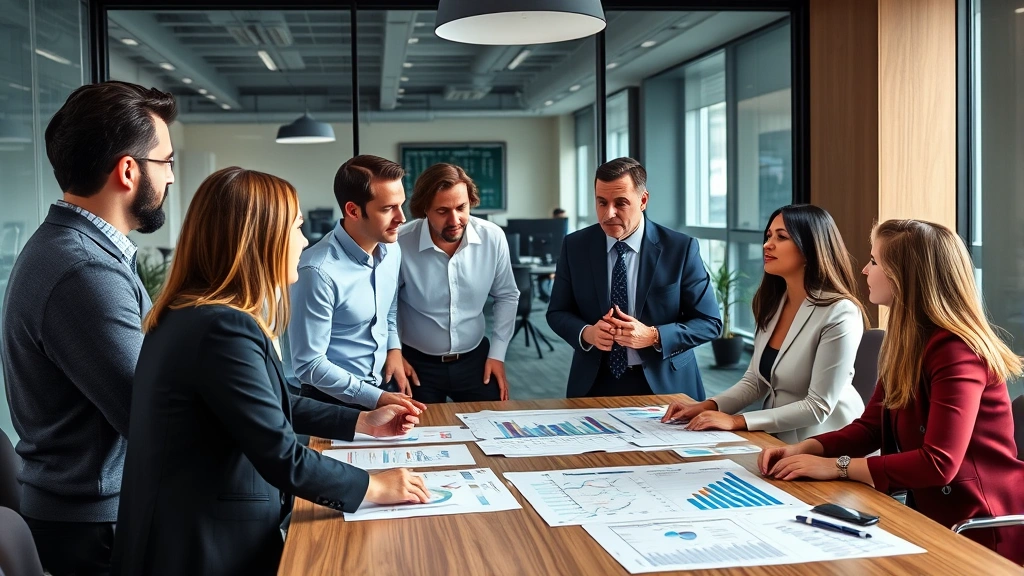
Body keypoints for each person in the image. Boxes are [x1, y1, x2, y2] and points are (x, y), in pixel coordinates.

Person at [112, 167, 431, 575]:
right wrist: (376, 486)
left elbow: (270, 403)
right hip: (202, 548)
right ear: (260, 238)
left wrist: (362, 421)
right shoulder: (221, 328)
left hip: (191, 534)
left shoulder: (193, 313)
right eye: (297, 228)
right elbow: (282, 455)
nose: (303, 241)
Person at [759, 219, 1024, 565]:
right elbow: (870, 427)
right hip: (928, 515)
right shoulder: (907, 340)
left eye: (875, 261)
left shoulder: (957, 350)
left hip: (978, 529)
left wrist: (837, 467)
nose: (865, 269)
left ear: (904, 275)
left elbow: (939, 462)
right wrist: (805, 448)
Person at [1, 81, 176, 575]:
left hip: (86, 516)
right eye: (165, 162)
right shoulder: (83, 270)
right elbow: (151, 412)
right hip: (93, 530)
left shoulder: (75, 250)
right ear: (128, 170)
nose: (170, 178)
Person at [663, 205, 868, 443]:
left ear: (810, 248)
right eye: (768, 236)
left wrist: (737, 421)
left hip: (828, 443)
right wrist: (707, 406)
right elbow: (754, 382)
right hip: (777, 438)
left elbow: (818, 406)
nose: (767, 244)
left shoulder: (839, 312)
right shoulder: (774, 303)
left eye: (781, 237)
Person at [546, 157, 722, 398]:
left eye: (621, 203)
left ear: (643, 200)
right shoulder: (575, 246)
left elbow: (710, 323)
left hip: (667, 383)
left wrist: (654, 336)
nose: (609, 214)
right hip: (595, 382)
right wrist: (587, 333)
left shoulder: (680, 249)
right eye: (601, 202)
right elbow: (557, 312)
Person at [288, 155, 424, 411]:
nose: (401, 218)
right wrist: (374, 398)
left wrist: (393, 349)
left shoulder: (391, 249)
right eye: (387, 209)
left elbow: (389, 308)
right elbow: (308, 364)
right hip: (332, 401)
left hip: (383, 387)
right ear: (353, 210)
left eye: (401, 205)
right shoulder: (316, 271)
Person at [395, 163, 520, 403]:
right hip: (417, 364)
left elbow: (506, 295)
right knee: (419, 435)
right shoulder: (400, 243)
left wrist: (498, 355)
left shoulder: (492, 237)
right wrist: (394, 352)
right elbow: (386, 305)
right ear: (424, 210)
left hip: (476, 360)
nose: (455, 220)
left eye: (461, 207)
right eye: (442, 211)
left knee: (491, 430)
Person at [537, 208, 567, 303]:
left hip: (565, 262)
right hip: (551, 260)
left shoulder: (571, 230)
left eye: (565, 218)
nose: (563, 221)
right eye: (560, 218)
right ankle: (545, 297)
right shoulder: (548, 229)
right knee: (544, 277)